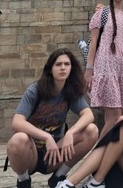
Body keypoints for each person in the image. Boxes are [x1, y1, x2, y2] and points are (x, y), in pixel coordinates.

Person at [6, 48, 98, 188]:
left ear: (71, 68)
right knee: (18, 139)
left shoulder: (70, 90)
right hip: (30, 154)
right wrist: (46, 137)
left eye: (67, 64)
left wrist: (70, 133)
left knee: (91, 131)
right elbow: (17, 122)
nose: (63, 68)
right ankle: (23, 180)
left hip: (54, 154)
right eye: (58, 64)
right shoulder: (35, 90)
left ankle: (58, 176)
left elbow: (88, 115)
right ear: (50, 69)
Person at [84, 0, 123, 138]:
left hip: (121, 68)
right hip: (105, 65)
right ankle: (97, 150)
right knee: (115, 116)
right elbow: (93, 42)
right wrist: (89, 69)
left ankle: (109, 151)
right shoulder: (102, 13)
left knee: (114, 115)